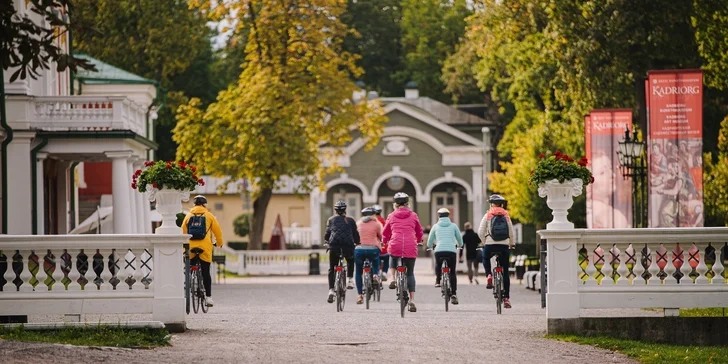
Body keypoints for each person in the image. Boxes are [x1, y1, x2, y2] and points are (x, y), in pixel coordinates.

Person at [383, 192, 423, 313]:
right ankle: (412, 300)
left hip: (396, 243)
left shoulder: (391, 215)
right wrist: (420, 240)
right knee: (410, 273)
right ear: (407, 203)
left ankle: (393, 278)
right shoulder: (413, 215)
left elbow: (386, 231)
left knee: (393, 256)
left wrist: (384, 241)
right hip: (410, 245)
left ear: (395, 204)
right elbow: (419, 230)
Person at [182, 195, 224, 307]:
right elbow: (217, 231)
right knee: (205, 272)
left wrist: (183, 247)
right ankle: (209, 297)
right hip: (205, 248)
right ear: (204, 204)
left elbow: (182, 232)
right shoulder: (209, 216)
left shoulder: (188, 216)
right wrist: (219, 243)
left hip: (191, 248)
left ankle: (187, 287)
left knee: (189, 269)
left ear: (194, 205)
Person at [478, 194, 515, 309]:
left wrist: (485, 242)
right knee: (505, 272)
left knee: (485, 258)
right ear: (502, 204)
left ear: (491, 204)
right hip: (503, 246)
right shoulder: (506, 215)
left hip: (490, 244)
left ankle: (489, 275)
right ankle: (507, 298)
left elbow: (480, 231)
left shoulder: (488, 214)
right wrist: (511, 243)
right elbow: (511, 231)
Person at [324, 200, 359, 303]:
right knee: (350, 260)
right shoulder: (351, 220)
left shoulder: (331, 220)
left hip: (334, 246)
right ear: (345, 210)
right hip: (347, 247)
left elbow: (327, 233)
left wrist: (326, 242)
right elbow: (355, 234)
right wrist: (357, 242)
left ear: (335, 210)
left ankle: (331, 290)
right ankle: (350, 280)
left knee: (332, 268)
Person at [427, 208, 464, 305]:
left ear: (438, 216)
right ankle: (454, 294)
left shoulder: (435, 226)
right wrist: (459, 245)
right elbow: (459, 239)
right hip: (451, 251)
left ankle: (438, 280)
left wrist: (431, 246)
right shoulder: (453, 226)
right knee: (452, 272)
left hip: (439, 250)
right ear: (448, 216)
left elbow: (430, 240)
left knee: (438, 265)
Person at [355, 207, 382, 304]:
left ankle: (359, 295)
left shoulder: (358, 223)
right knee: (375, 260)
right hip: (373, 249)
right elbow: (381, 236)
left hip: (359, 249)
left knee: (358, 271)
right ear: (373, 215)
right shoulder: (377, 224)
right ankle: (375, 275)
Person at [373, 205, 389, 281]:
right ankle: (385, 272)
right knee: (387, 258)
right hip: (384, 247)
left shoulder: (372, 221)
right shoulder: (384, 221)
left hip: (374, 247)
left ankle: (377, 271)